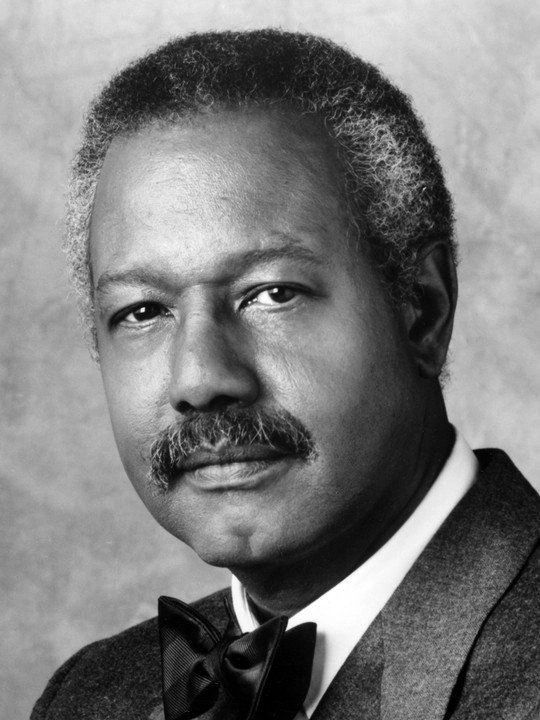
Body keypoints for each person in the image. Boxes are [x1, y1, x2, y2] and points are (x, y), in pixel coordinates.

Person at [31, 29, 539, 720]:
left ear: (423, 307)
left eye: (272, 294)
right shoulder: (88, 697)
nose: (200, 379)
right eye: (143, 310)